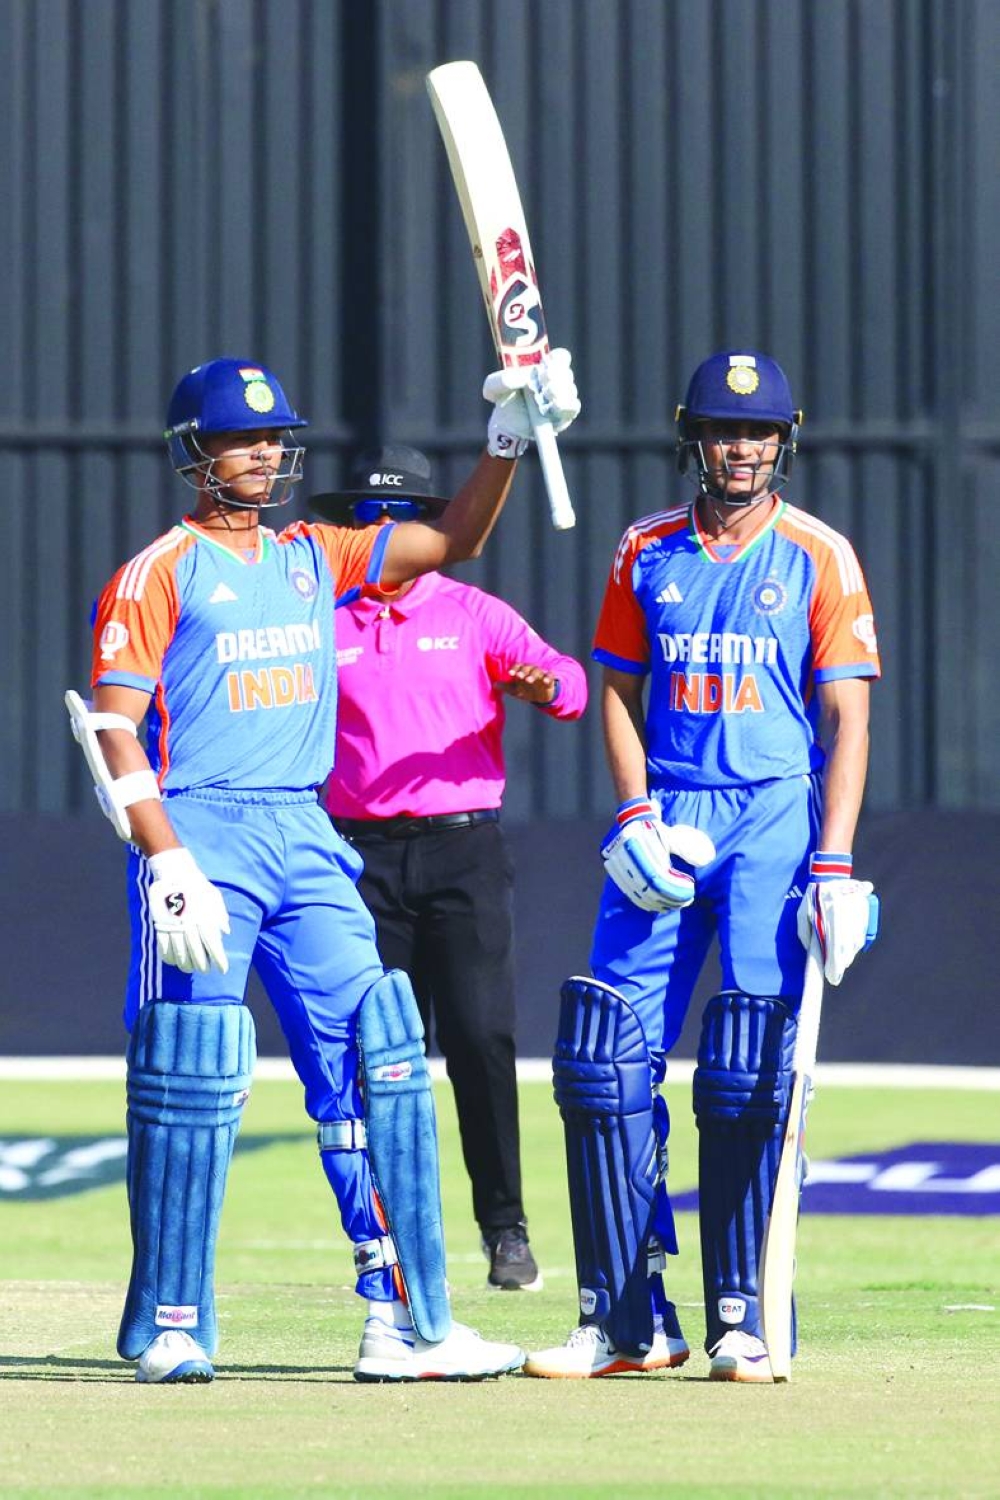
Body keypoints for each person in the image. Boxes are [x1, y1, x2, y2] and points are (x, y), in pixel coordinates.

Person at [65, 349, 579, 1384]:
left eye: (274, 439)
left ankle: (406, 1321)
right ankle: (173, 1323)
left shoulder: (315, 554)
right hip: (202, 831)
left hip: (305, 832)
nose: (263, 454)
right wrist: (165, 859)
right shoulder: (158, 571)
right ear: (194, 453)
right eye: (241, 440)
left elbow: (456, 538)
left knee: (379, 1055)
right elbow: (112, 726)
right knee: (190, 1070)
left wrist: (508, 438)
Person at [524, 349, 880, 1383]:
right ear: (694, 438)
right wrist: (635, 812)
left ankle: (744, 1313)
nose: (742, 449)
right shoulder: (646, 549)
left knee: (749, 1068)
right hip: (669, 821)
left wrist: (833, 862)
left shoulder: (819, 554)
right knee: (603, 1061)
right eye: (725, 431)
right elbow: (617, 691)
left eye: (760, 432)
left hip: (774, 819)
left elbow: (847, 719)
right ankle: (625, 1318)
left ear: (785, 441)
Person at [311, 443, 588, 1292]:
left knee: (478, 1036)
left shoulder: (472, 612)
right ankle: (390, 1235)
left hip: (461, 848)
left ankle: (505, 1227)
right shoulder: (323, 618)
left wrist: (545, 687)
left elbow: (570, 682)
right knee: (378, 1049)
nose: (385, 529)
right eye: (369, 515)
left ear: (429, 524)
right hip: (359, 855)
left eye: (402, 515)